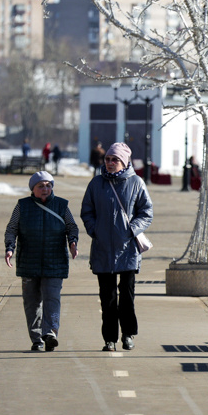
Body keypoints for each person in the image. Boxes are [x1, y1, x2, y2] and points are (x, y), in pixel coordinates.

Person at [80, 142, 153, 351]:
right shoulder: (96, 184)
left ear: (124, 162)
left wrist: (132, 230)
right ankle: (109, 339)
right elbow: (87, 211)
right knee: (108, 298)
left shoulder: (136, 183)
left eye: (115, 160)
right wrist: (95, 230)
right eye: (108, 159)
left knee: (127, 296)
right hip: (103, 249)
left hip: (128, 249)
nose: (110, 163)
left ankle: (128, 334)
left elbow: (146, 212)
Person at [5, 171, 80, 352]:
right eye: (41, 186)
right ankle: (37, 338)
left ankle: (50, 333)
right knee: (31, 302)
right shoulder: (22, 206)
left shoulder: (62, 205)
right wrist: (9, 248)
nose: (45, 189)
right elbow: (12, 228)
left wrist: (73, 242)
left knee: (52, 298)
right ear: (33, 189)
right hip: (29, 262)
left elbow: (71, 226)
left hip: (55, 261)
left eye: (48, 185)